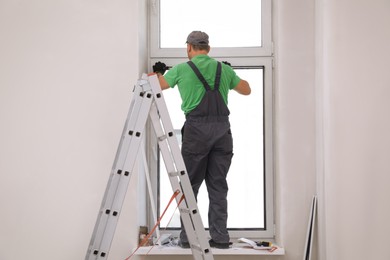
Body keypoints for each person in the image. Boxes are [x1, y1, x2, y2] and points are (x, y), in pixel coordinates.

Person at [153, 31, 251, 249]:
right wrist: (229, 73)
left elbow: (158, 86)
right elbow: (247, 89)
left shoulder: (181, 69)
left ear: (189, 47)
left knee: (190, 187)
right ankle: (220, 238)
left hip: (196, 132)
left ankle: (188, 238)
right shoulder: (223, 69)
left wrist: (158, 72)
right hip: (222, 132)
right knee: (218, 187)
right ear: (209, 48)